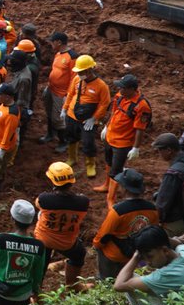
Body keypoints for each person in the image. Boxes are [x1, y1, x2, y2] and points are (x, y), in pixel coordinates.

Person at [113, 225, 184, 305]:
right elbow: (177, 242)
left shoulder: (166, 275)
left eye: (149, 256)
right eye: (143, 258)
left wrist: (136, 257)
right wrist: (157, 236)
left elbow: (119, 285)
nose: (148, 262)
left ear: (165, 250)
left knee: (130, 279)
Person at [92, 169, 158, 279]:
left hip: (115, 254)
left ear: (124, 188)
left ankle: (104, 280)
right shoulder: (152, 209)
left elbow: (103, 236)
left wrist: (96, 245)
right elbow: (153, 230)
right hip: (137, 253)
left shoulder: (118, 211)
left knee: (107, 278)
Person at [95, 75, 151, 203]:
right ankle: (106, 185)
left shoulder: (141, 106)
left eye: (123, 87)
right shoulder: (119, 96)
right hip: (110, 137)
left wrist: (136, 148)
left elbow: (140, 129)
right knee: (108, 162)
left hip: (123, 143)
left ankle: (111, 198)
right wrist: (107, 126)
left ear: (132, 89)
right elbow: (114, 112)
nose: (120, 89)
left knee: (116, 170)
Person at [34, 162, 89, 287]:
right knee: (79, 255)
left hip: (44, 238)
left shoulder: (45, 199)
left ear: (53, 181)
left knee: (40, 266)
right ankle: (72, 285)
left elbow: (37, 204)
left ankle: (35, 295)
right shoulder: (83, 202)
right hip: (66, 241)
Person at [64, 54, 111, 178]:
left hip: (88, 120)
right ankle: (72, 158)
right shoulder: (76, 80)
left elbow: (104, 104)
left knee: (88, 142)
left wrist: (94, 118)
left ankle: (90, 165)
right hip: (72, 115)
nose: (79, 74)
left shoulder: (101, 86)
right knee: (71, 137)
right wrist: (65, 109)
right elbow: (70, 94)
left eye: (82, 71)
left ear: (89, 70)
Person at [41, 32, 75, 146]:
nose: (51, 44)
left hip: (61, 94)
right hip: (51, 89)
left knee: (58, 118)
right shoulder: (58, 54)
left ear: (59, 42)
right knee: (49, 113)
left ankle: (63, 141)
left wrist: (68, 95)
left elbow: (74, 78)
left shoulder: (72, 57)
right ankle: (50, 134)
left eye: (52, 41)